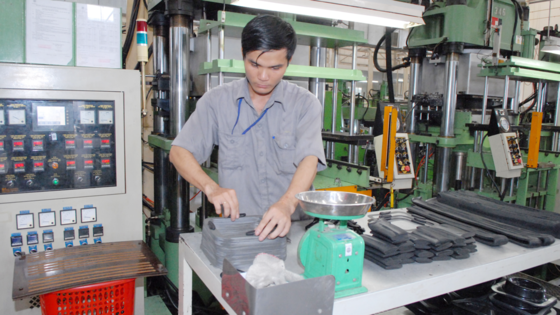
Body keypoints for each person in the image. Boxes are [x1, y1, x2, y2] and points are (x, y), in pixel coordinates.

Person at [169, 15, 326, 241]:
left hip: (292, 230)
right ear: (243, 53)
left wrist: (287, 203)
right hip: (237, 232)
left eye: (275, 67)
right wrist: (211, 188)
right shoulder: (217, 102)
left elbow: (309, 159)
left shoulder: (305, 104)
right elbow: (179, 152)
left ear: (288, 62)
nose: (263, 76)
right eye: (254, 64)